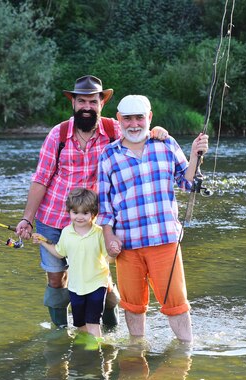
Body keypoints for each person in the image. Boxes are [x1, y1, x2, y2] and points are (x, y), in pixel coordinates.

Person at [15, 75, 167, 328]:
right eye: (81, 101)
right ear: (73, 103)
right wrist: (26, 219)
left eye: (92, 102)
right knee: (56, 279)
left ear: (101, 104)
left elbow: (140, 134)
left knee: (102, 278)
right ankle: (60, 333)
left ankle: (111, 330)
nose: (87, 107)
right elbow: (41, 178)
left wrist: (158, 132)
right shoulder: (58, 134)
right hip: (54, 220)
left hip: (97, 223)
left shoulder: (113, 130)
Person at [97, 95, 209, 343]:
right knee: (132, 305)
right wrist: (108, 235)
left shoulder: (166, 143)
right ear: (119, 120)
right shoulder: (108, 155)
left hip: (165, 240)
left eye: (139, 117)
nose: (134, 124)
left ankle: (185, 352)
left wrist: (194, 154)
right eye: (128, 118)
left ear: (149, 118)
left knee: (176, 303)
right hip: (127, 244)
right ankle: (137, 353)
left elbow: (187, 183)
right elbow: (104, 205)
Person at [32, 188, 119, 337]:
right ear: (69, 212)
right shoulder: (66, 232)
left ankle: (95, 352)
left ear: (93, 213)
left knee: (93, 322)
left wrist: (114, 251)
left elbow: (109, 258)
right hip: (75, 286)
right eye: (75, 212)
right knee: (80, 324)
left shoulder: (99, 232)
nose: (79, 217)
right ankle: (82, 353)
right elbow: (59, 252)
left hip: (97, 284)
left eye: (85, 213)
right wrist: (43, 241)